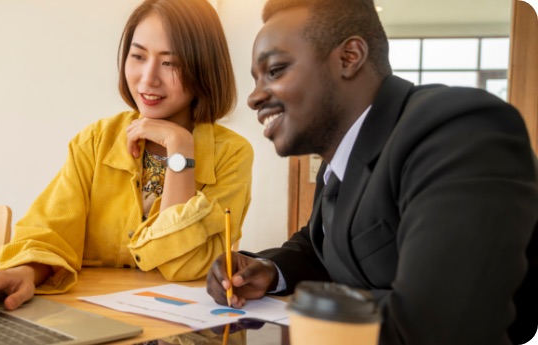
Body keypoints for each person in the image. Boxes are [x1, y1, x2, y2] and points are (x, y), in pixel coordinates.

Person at [204, 0, 538, 344]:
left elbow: (443, 320)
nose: (255, 97)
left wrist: (308, 311)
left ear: (349, 57)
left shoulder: (461, 129)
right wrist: (270, 272)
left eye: (274, 70)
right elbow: (323, 248)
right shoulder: (340, 160)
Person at [0, 0, 253, 316]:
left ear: (204, 66)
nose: (148, 79)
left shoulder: (232, 155)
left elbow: (183, 265)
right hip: (91, 317)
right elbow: (49, 231)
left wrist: (180, 149)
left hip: (187, 326)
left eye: (170, 63)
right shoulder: (96, 140)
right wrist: (28, 271)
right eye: (138, 56)